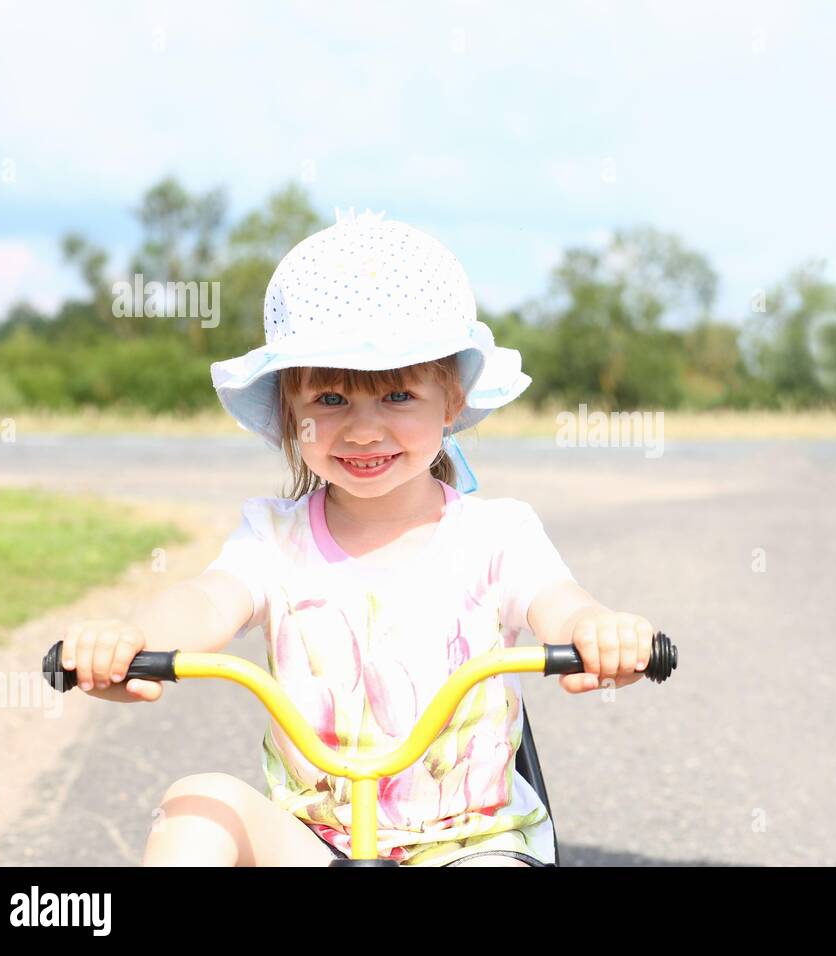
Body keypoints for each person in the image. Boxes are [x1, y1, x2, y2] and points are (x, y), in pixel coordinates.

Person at [58, 209, 658, 866]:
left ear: (450, 401)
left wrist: (598, 632)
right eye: (332, 401)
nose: (365, 431)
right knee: (198, 805)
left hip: (474, 844)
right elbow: (207, 601)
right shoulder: (272, 538)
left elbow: (558, 603)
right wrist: (134, 641)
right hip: (314, 844)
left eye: (397, 396)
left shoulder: (495, 536)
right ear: (290, 411)